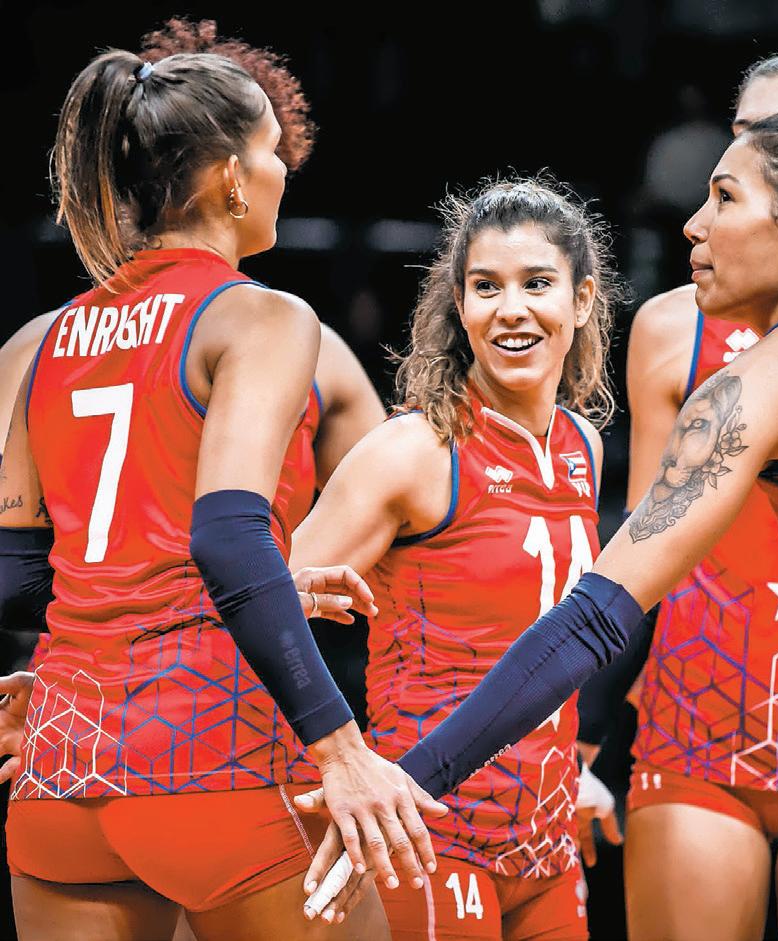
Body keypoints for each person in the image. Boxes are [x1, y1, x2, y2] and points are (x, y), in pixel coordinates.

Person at [368, 103, 778, 940]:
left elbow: (598, 615)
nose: (694, 224)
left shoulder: (776, 371)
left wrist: (410, 779)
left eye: (726, 198)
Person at [0, 37, 448, 941]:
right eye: (274, 150)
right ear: (231, 177)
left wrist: (252, 585)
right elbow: (227, 538)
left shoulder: (38, 341)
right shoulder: (261, 317)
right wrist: (342, 749)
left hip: (60, 762)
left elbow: (17, 576)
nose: (284, 171)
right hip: (212, 753)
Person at [580, 53, 778, 941]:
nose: (752, 152)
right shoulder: (670, 327)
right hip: (695, 725)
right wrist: (580, 737)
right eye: (744, 133)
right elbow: (638, 559)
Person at [290, 177, 622, 939]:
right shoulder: (413, 452)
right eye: (486, 286)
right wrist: (341, 762)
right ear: (460, 305)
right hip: (430, 835)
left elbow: (554, 645)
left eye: (537, 283)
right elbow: (260, 617)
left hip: (548, 842)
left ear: (581, 300)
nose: (511, 308)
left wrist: (572, 771)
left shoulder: (583, 446)